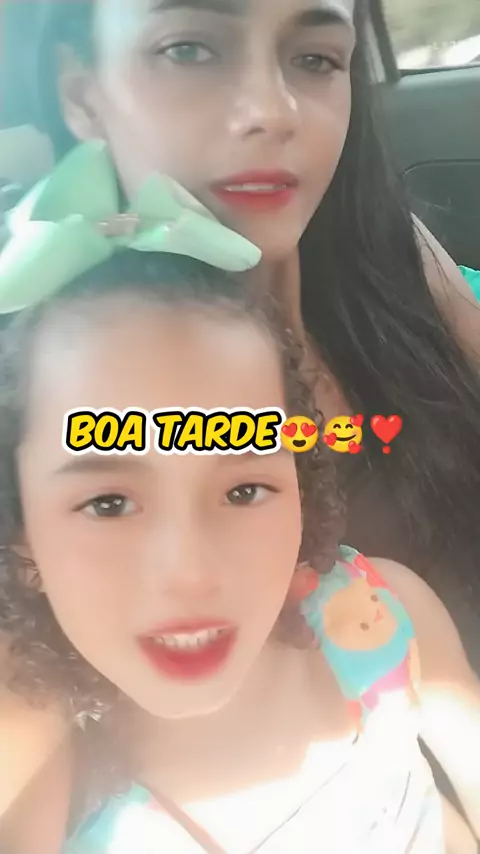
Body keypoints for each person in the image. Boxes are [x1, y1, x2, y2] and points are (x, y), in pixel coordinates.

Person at [0, 145, 479, 853]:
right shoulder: (40, 750)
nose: (191, 573)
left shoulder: (386, 620)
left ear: (301, 485)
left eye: (244, 488)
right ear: (21, 531)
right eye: (108, 504)